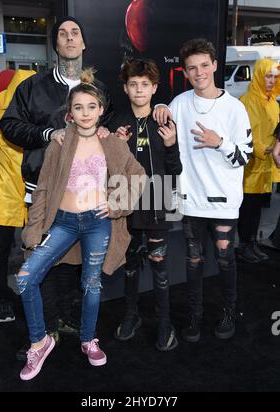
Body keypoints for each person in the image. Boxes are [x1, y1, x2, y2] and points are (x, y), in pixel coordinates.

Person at [15, 71, 145, 381]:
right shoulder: (59, 143)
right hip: (63, 222)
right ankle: (40, 342)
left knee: (91, 283)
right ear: (69, 113)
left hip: (97, 223)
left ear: (101, 110)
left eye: (91, 107)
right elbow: (44, 189)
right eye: (78, 107)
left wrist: (116, 205)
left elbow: (138, 175)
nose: (85, 113)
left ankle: (88, 339)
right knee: (24, 279)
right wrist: (33, 232)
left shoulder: (111, 142)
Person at [0, 16, 114, 358]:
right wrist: (48, 134)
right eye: (62, 34)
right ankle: (43, 330)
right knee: (38, 258)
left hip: (85, 197)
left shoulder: (99, 91)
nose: (68, 38)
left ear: (83, 43)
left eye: (74, 32)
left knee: (73, 263)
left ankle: (65, 320)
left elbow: (111, 132)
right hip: (42, 190)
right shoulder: (32, 87)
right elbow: (9, 125)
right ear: (56, 45)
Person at [153, 38, 253, 342]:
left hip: (224, 203)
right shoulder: (179, 104)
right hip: (191, 202)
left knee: (225, 259)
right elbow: (162, 128)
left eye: (204, 66)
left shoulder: (235, 108)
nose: (199, 73)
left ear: (214, 65)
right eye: (192, 68)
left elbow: (245, 157)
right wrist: (158, 105)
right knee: (193, 262)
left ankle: (228, 311)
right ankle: (195, 316)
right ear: (185, 71)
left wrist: (219, 142)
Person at [109, 59, 182, 351]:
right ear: (126, 88)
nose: (139, 90)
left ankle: (164, 322)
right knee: (129, 266)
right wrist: (117, 146)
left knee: (160, 265)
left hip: (160, 196)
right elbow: (109, 170)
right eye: (133, 84)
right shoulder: (116, 123)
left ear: (154, 88)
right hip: (125, 199)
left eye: (145, 85)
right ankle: (131, 315)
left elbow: (175, 169)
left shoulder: (165, 120)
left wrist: (171, 143)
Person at [0, 69, 35, 322]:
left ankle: (37, 295)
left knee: (38, 248)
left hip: (36, 191)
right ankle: (1, 296)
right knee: (0, 249)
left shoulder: (41, 105)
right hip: (4, 190)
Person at [237, 60, 280, 263]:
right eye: (268, 76)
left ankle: (251, 242)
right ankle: (244, 244)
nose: (272, 80)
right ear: (259, 76)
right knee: (248, 206)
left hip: (268, 164)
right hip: (251, 164)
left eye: (274, 76)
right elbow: (245, 133)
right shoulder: (246, 100)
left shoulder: (273, 102)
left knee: (258, 207)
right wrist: (264, 149)